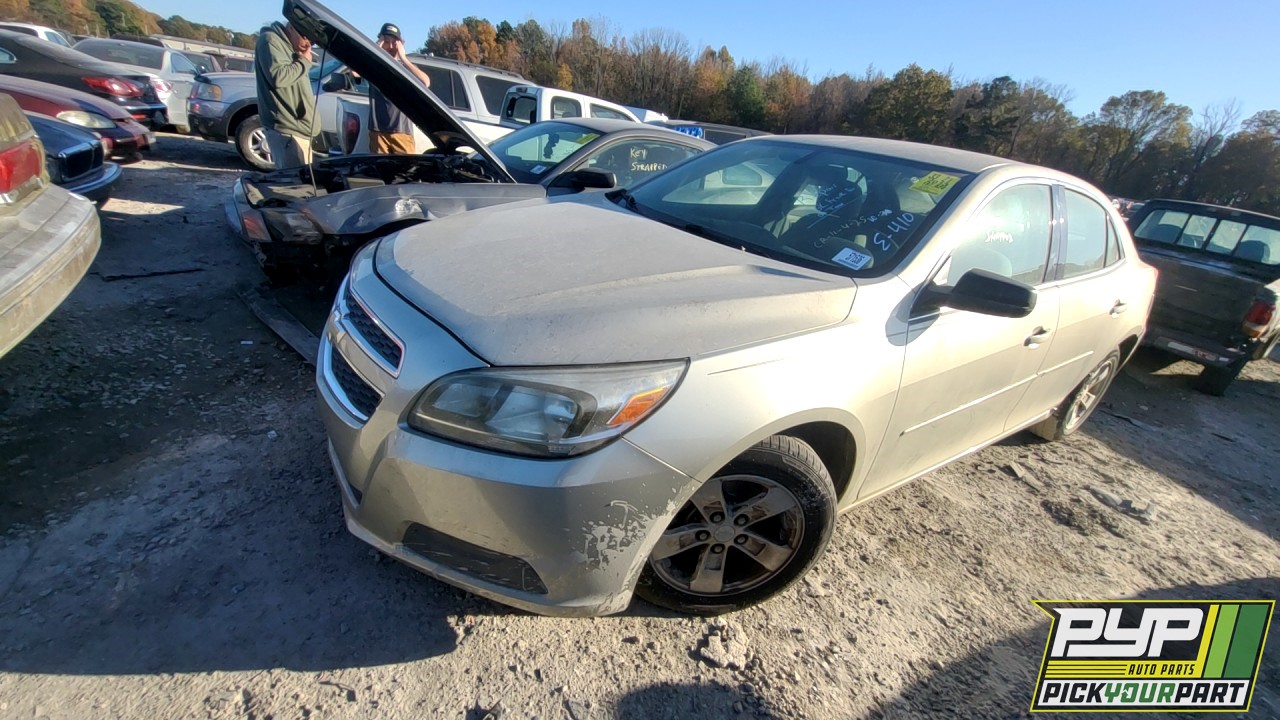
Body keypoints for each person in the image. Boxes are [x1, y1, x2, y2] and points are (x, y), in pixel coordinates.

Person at [254, 20, 320, 169]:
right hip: (287, 130)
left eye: (312, 42)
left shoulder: (289, 47)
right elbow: (278, 77)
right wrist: (303, 62)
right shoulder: (270, 41)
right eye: (305, 37)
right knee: (296, 185)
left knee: (303, 182)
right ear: (291, 27)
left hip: (296, 131)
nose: (308, 44)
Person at [367, 22, 431, 154]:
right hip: (378, 132)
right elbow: (354, 72)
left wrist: (404, 59)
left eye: (394, 43)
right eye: (386, 41)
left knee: (406, 172)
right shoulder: (372, 65)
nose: (390, 46)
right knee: (379, 172)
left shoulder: (405, 70)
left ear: (401, 44)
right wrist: (374, 50)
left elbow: (425, 82)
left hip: (402, 132)